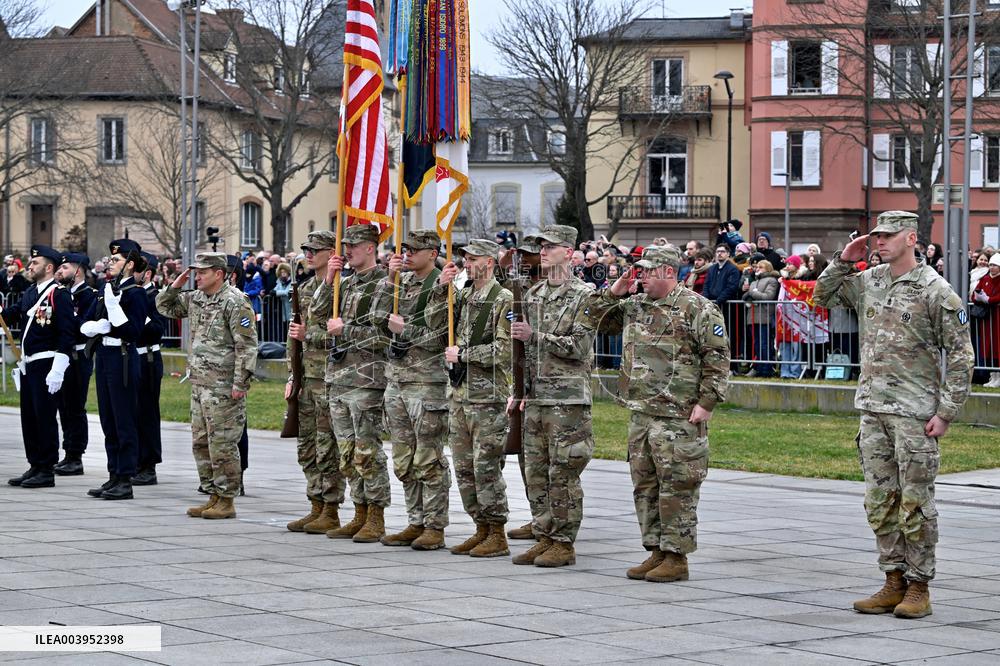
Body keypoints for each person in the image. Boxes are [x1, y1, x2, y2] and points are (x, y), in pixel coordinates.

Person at [815, 211, 974, 619]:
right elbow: (823, 295)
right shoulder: (871, 281)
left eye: (886, 236)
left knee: (916, 502)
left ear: (910, 237)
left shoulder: (935, 290)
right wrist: (845, 259)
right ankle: (893, 579)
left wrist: (947, 411)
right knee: (880, 500)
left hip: (915, 414)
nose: (879, 242)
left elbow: (960, 358)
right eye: (876, 236)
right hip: (873, 410)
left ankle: (919, 585)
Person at [591, 246, 729, 582]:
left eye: (647, 271)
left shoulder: (697, 308)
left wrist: (707, 403)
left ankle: (676, 556)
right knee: (645, 485)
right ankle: (656, 550)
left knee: (677, 485)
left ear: (668, 271)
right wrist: (614, 292)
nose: (641, 277)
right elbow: (592, 321)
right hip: (642, 413)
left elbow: (717, 358)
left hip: (679, 415)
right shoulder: (636, 306)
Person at [510, 224, 597, 568]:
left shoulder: (584, 295)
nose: (542, 252)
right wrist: (518, 391)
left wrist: (536, 336)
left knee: (563, 473)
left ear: (569, 253)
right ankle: (544, 535)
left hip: (568, 401)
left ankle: (563, 542)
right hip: (536, 398)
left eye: (550, 246)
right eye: (541, 246)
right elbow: (523, 354)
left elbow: (579, 347)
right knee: (535, 471)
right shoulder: (534, 295)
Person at [157, 252, 258, 519]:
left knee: (223, 444)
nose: (197, 276)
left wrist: (240, 382)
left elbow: (246, 346)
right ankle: (212, 493)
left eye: (202, 272)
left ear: (219, 274)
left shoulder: (236, 302)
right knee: (201, 443)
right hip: (200, 384)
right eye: (196, 272)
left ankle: (226, 499)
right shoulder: (197, 298)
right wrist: (176, 284)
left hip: (224, 386)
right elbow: (164, 307)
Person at [317, 223, 393, 542]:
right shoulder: (345, 285)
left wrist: (343, 331)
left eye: (353, 245)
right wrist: (329, 280)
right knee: (347, 452)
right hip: (340, 379)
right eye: (345, 245)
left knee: (367, 451)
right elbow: (317, 312)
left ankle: (376, 516)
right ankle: (359, 511)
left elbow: (381, 337)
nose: (346, 250)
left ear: (370, 248)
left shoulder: (386, 285)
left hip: (367, 380)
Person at [379, 230, 452, 550]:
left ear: (432, 252)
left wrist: (404, 329)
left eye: (413, 250)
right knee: (403, 458)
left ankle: (434, 526)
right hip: (397, 380)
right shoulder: (403, 282)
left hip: (427, 383)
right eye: (404, 249)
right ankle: (415, 519)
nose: (406, 254)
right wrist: (390, 277)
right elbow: (378, 319)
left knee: (429, 458)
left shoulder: (442, 285)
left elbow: (438, 337)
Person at [284, 231, 347, 534]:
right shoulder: (306, 287)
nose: (308, 254)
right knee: (307, 445)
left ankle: (331, 508)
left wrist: (308, 334)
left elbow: (340, 336)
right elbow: (293, 337)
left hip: (330, 377)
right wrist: (292, 375)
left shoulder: (342, 289)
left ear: (331, 252)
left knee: (327, 447)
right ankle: (315, 504)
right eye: (305, 249)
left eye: (314, 249)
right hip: (307, 376)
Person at [79, 239, 149, 501]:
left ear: (129, 265)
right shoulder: (107, 289)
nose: (111, 263)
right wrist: (91, 327)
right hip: (105, 356)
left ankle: (125, 478)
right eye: (111, 260)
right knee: (108, 419)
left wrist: (114, 310)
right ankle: (113, 474)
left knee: (124, 419)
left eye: (116, 260)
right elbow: (86, 319)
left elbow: (133, 331)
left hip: (123, 356)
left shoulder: (136, 293)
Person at [4, 246, 75, 489]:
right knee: (30, 417)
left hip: (47, 361)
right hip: (29, 363)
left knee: (45, 416)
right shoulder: (30, 293)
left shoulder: (59, 295)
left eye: (35, 262)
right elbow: (13, 315)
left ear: (48, 268)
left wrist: (59, 368)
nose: (30, 266)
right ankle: (35, 463)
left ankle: (46, 468)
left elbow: (67, 334)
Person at [53, 252, 98, 476]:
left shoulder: (88, 295)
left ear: (78, 271)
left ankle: (75, 455)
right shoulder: (61, 294)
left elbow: (82, 325)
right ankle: (67, 451)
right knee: (63, 406)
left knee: (74, 407)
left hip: (79, 356)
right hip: (62, 355)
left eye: (65, 268)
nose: (60, 272)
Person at [132, 251, 166, 486]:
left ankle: (149, 464)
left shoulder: (155, 297)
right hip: (132, 358)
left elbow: (157, 329)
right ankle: (136, 459)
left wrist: (138, 319)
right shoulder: (131, 294)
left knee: (147, 412)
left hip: (149, 358)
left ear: (148, 273)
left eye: (136, 269)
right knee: (133, 412)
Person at [742, 259, 780, 377]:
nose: (757, 269)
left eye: (761, 267)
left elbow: (768, 296)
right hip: (753, 317)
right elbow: (745, 297)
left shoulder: (772, 280)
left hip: (765, 316)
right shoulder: (753, 282)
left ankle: (767, 369)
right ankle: (759, 368)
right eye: (757, 267)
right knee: (757, 344)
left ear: (768, 268)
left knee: (765, 344)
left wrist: (752, 293)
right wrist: (749, 292)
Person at [972, 253, 1000, 387]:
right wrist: (977, 297)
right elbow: (975, 293)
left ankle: (998, 376)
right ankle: (992, 376)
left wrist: (989, 300)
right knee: (988, 346)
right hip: (987, 318)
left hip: (997, 318)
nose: (992, 268)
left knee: (997, 346)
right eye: (991, 265)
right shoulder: (985, 278)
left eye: (995, 265)